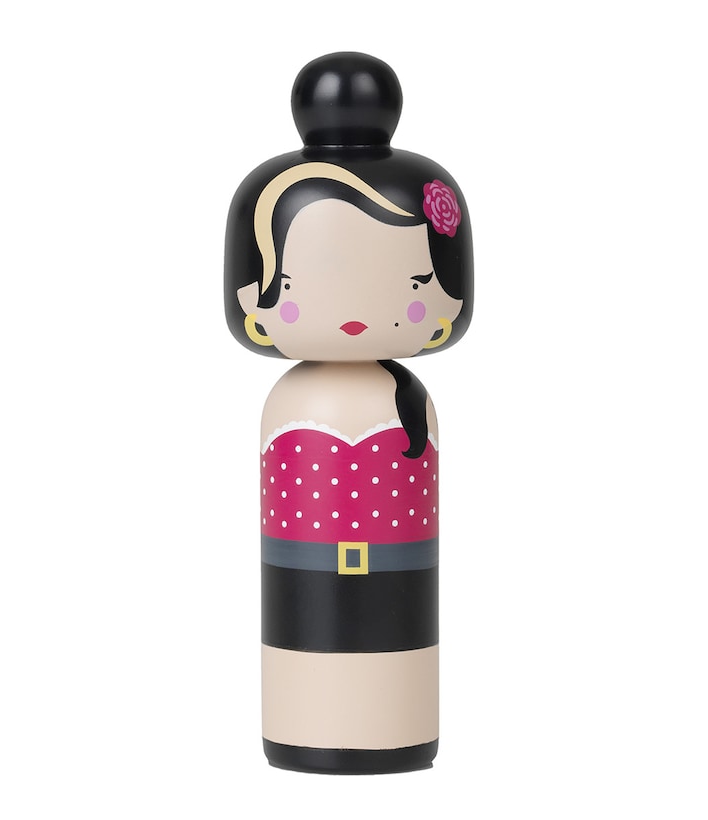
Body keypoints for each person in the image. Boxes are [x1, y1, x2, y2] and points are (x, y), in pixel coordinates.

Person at [224, 52, 473, 774]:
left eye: (417, 279)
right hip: (299, 594)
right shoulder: (293, 401)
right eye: (298, 282)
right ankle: (316, 726)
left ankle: (388, 728)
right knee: (302, 615)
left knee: (397, 625)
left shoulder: (407, 400)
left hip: (402, 593)